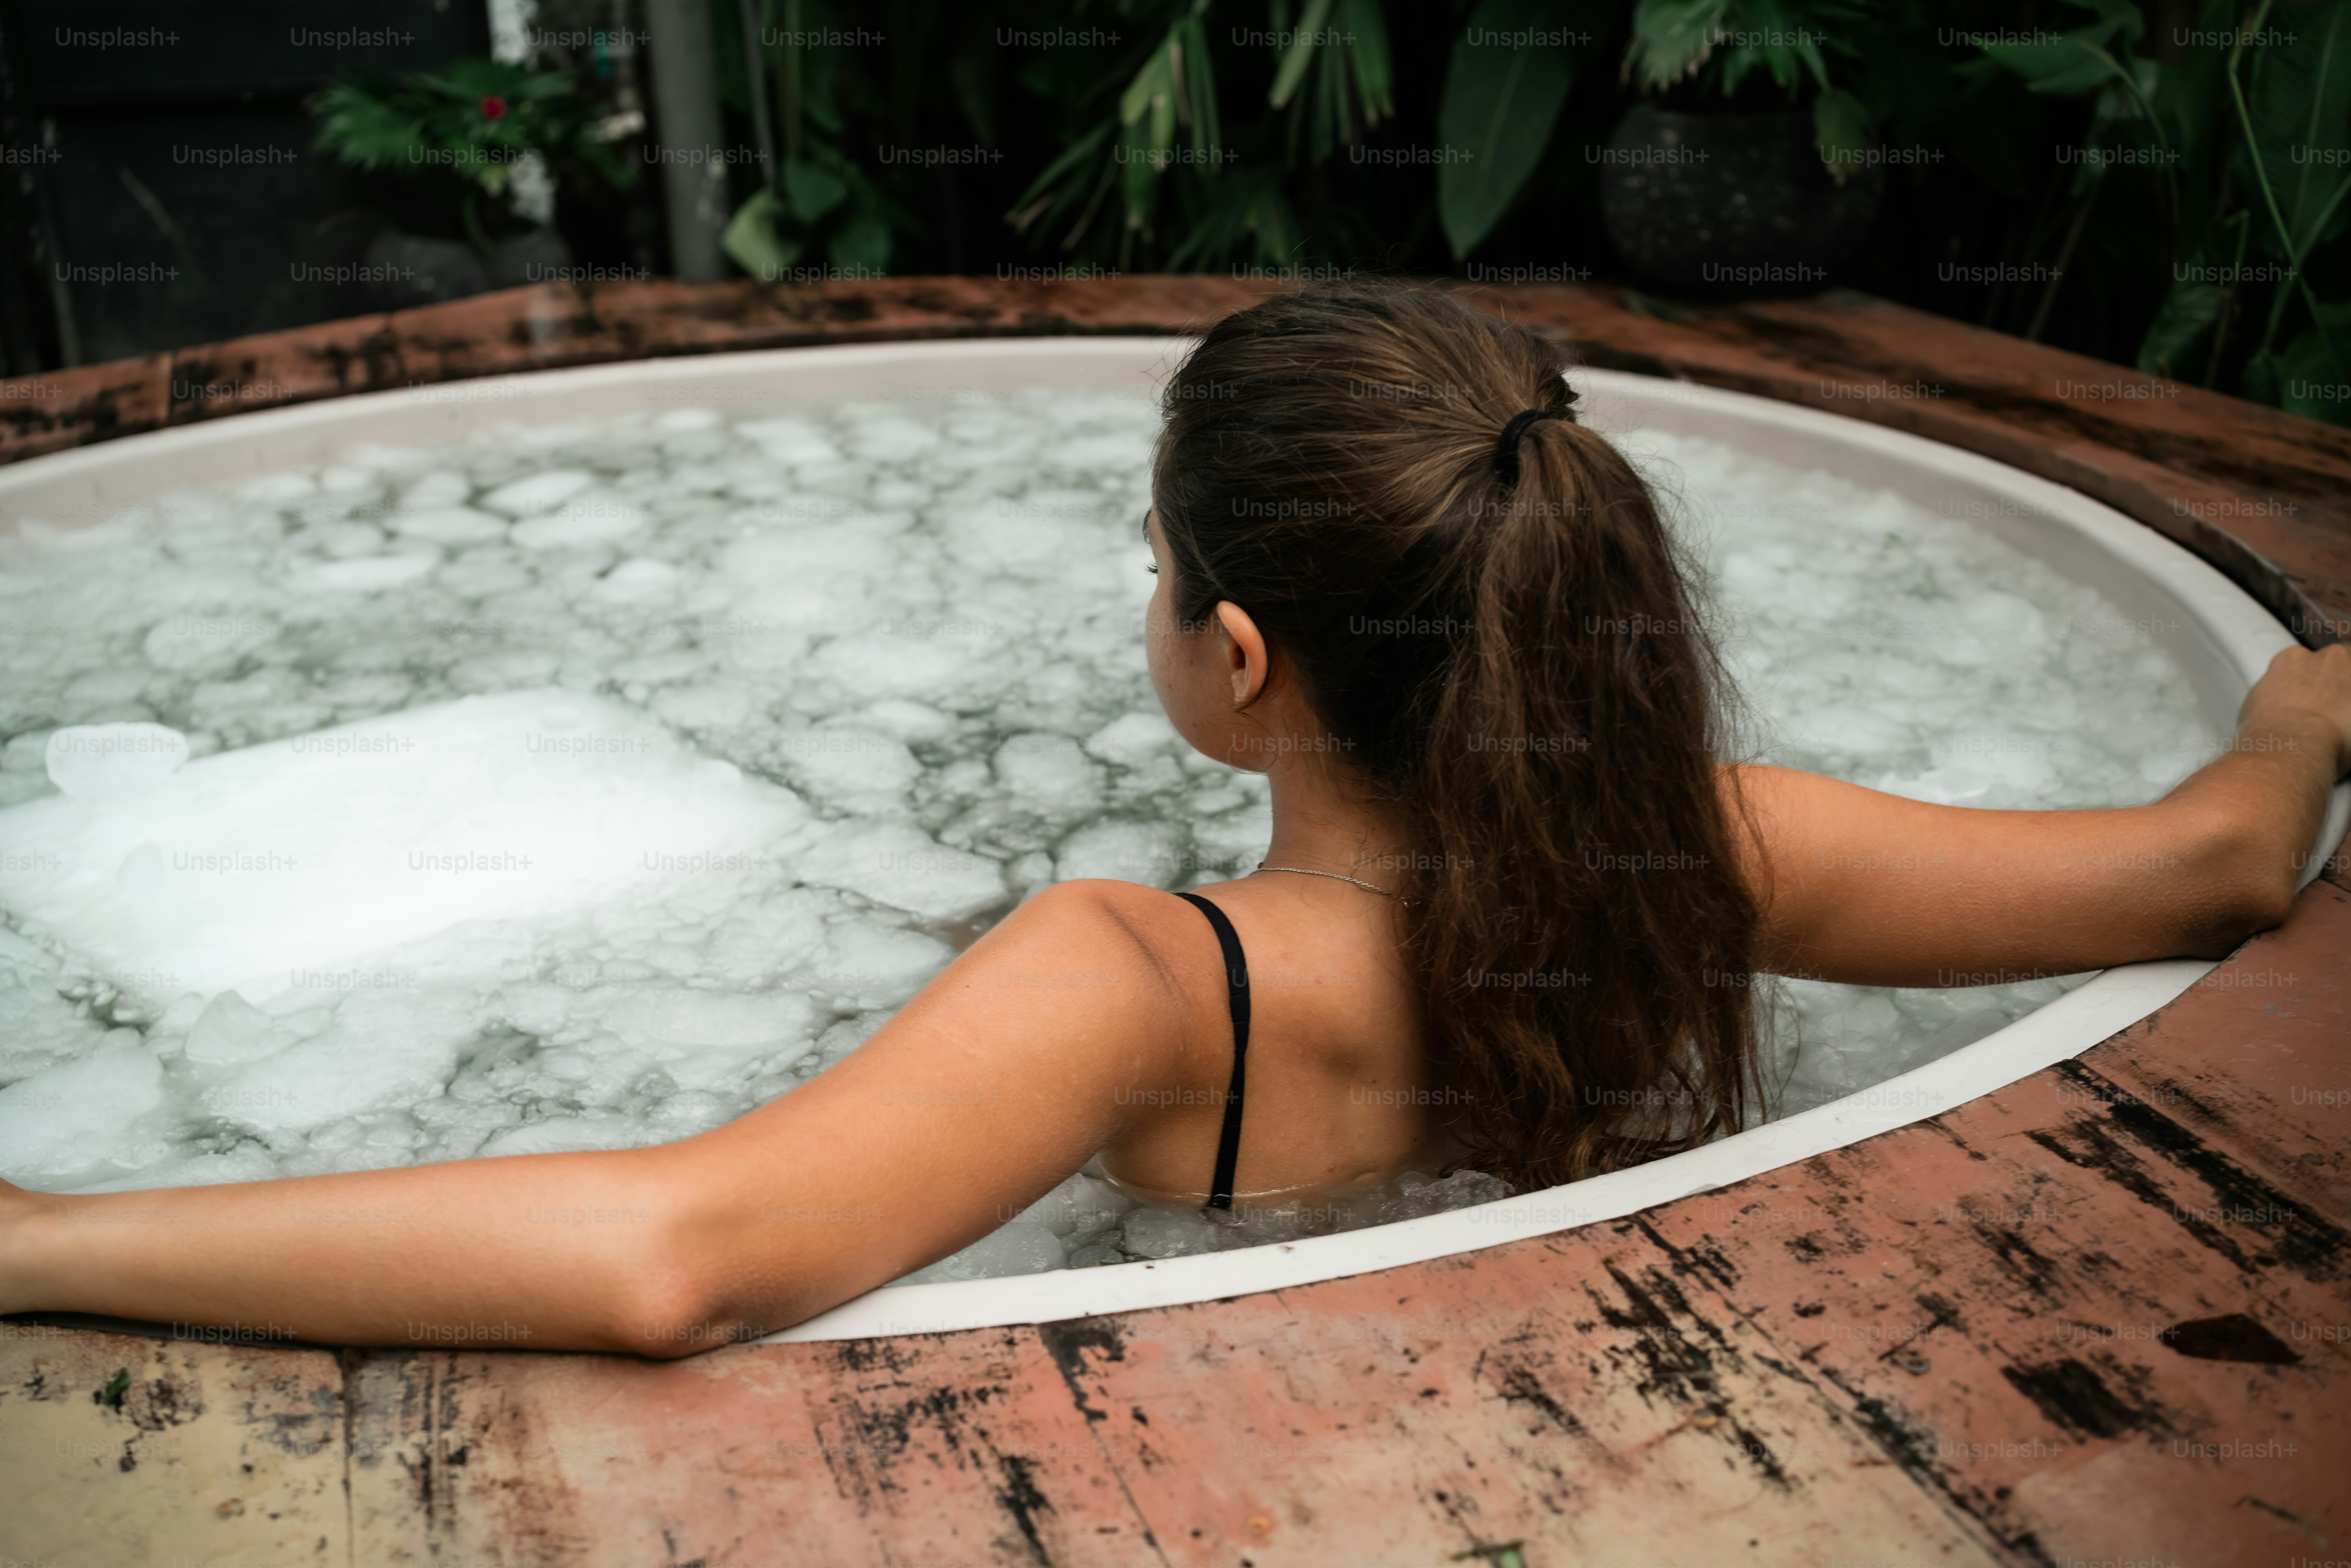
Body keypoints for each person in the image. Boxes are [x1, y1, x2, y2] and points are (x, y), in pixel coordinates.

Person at [3, 281, 2343, 1358]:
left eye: (1159, 562)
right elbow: (2214, 870)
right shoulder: (1711, 850)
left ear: (1231, 658)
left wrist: (44, 1234)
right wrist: (2291, 717)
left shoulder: (1144, 987)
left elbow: (676, 1254)